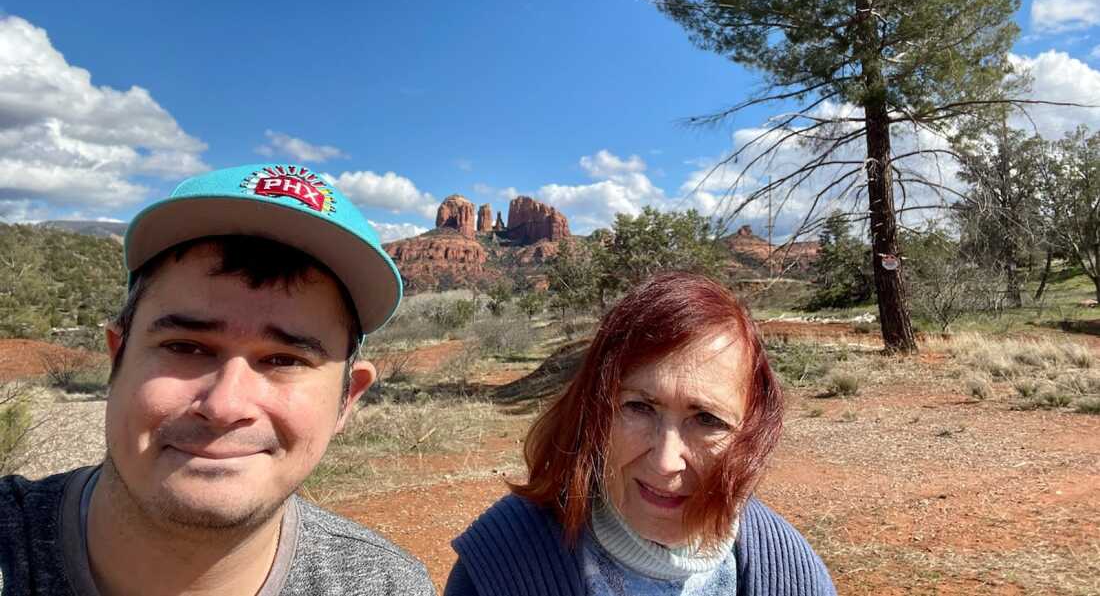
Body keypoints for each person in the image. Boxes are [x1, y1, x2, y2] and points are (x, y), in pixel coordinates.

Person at [0, 164, 435, 596]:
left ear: (347, 399)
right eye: (186, 347)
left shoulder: (388, 586)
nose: (224, 406)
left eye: (284, 359)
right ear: (118, 358)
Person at [446, 271, 835, 596]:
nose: (666, 463)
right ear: (594, 409)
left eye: (707, 420)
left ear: (750, 432)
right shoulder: (499, 566)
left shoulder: (788, 572)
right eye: (639, 407)